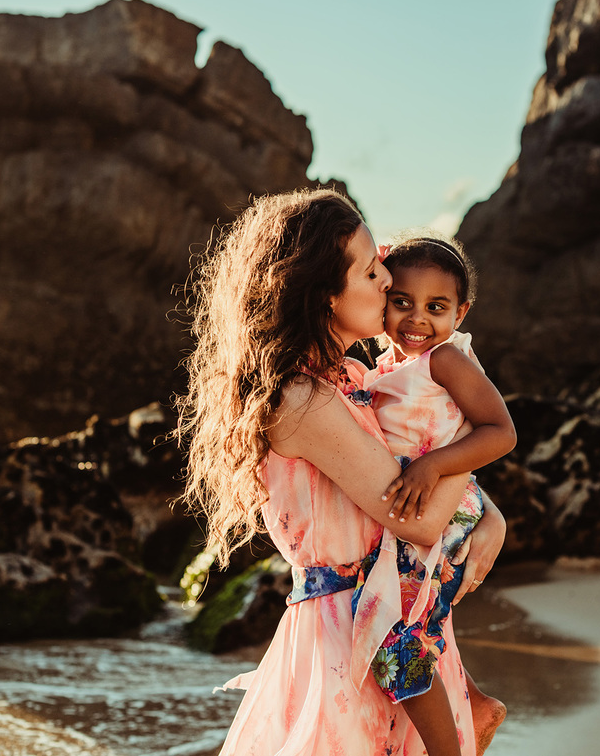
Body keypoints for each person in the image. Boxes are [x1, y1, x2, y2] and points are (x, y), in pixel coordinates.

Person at [176, 188, 507, 756]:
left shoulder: (350, 379)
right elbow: (422, 521)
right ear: (327, 292)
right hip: (347, 633)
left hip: (384, 612)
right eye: (371, 269)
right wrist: (478, 498)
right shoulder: (303, 399)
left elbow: (410, 469)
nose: (386, 282)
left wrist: (489, 513)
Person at [353, 234, 516, 756]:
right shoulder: (385, 367)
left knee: (397, 647)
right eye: (402, 302)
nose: (416, 319)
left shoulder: (444, 360)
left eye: (436, 307)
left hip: (445, 517)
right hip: (420, 519)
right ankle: (475, 704)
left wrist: (432, 466)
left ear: (460, 313)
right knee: (411, 629)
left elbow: (500, 431)